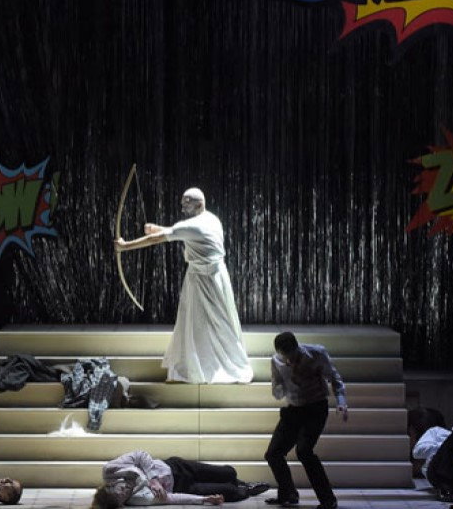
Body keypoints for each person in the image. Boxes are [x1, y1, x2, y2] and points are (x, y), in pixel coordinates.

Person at [114, 187, 253, 384]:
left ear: (199, 204)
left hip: (205, 279)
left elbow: (160, 238)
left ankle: (213, 366)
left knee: (217, 322)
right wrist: (158, 228)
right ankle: (198, 363)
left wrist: (125, 246)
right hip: (212, 277)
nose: (182, 209)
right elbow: (182, 232)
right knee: (202, 321)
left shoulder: (191, 226)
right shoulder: (211, 219)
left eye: (186, 205)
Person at [264, 331, 348, 509]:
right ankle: (288, 494)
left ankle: (328, 500)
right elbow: (277, 391)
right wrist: (286, 382)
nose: (289, 360)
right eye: (285, 357)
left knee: (304, 451)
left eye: (292, 356)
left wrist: (341, 402)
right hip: (293, 410)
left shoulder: (316, 353)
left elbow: (335, 378)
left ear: (297, 347)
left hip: (315, 408)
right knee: (273, 453)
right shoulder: (277, 361)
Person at [90, 449, 270, 507]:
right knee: (231, 492)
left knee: (229, 473)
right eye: (123, 498)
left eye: (120, 491)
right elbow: (169, 498)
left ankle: (240, 482)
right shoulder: (135, 500)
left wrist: (153, 479)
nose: (125, 492)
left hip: (176, 467)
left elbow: (140, 454)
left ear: (110, 486)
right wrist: (203, 499)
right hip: (181, 487)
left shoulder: (111, 470)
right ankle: (246, 489)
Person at [412, 411, 453, 503]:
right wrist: (445, 446)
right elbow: (417, 451)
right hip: (438, 474)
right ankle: (445, 489)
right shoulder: (437, 431)